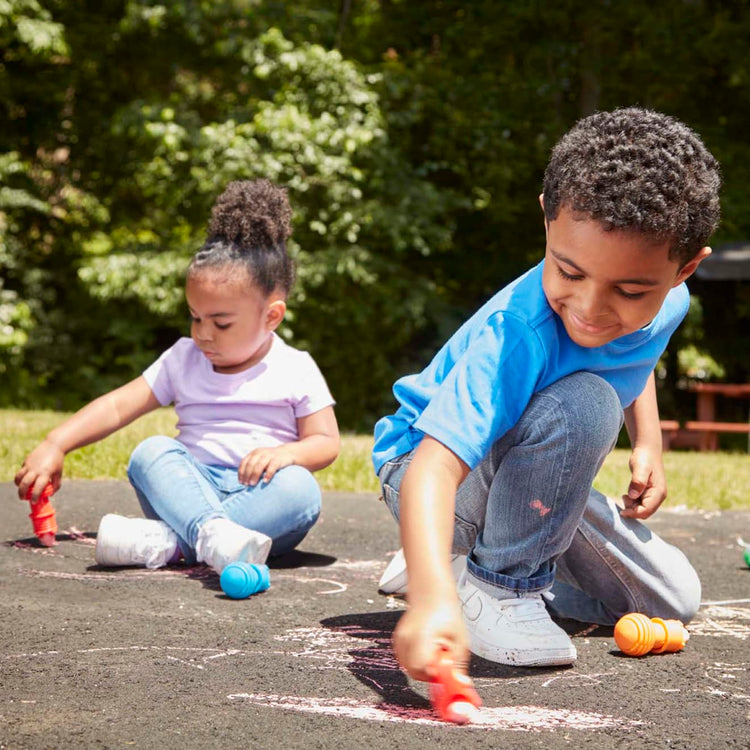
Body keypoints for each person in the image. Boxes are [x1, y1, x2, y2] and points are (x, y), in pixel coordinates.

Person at [372, 107, 721, 681]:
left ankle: (458, 564)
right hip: (423, 470)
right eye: (570, 273)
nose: (590, 309)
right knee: (586, 402)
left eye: (630, 290)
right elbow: (432, 469)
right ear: (546, 217)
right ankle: (490, 586)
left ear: (683, 271)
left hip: (533, 471)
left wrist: (649, 444)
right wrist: (431, 604)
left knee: (669, 600)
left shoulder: (669, 305)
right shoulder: (516, 333)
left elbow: (633, 351)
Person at [16, 179, 340, 574]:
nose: (203, 333)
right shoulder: (183, 358)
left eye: (221, 323)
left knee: (300, 490)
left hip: (259, 499)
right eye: (195, 317)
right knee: (151, 452)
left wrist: (285, 455)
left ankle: (169, 542)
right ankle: (212, 537)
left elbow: (325, 442)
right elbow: (119, 405)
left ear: (271, 316)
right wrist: (56, 443)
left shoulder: (295, 366)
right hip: (188, 489)